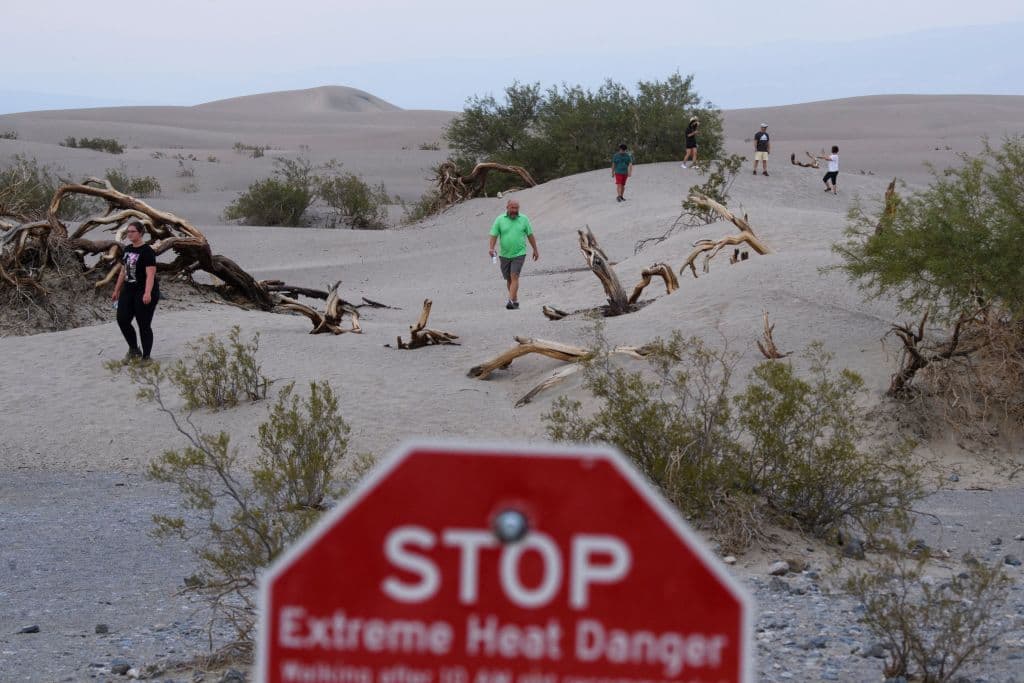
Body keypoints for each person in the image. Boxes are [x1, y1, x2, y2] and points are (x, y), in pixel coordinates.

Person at [111, 220, 160, 360]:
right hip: (129, 289)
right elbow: (123, 271)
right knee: (122, 319)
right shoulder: (127, 249)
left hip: (144, 290)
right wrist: (116, 290)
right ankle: (133, 349)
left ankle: (146, 357)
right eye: (128, 231)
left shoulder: (147, 251)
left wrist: (147, 293)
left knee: (143, 324)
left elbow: (150, 274)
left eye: (132, 231)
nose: (129, 234)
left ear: (140, 233)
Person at [488, 199, 539, 310]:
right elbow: (494, 235)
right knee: (509, 279)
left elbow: (530, 235)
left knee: (514, 276)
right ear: (507, 207)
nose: (515, 210)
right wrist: (491, 248)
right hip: (504, 254)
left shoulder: (524, 219)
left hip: (519, 253)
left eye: (516, 208)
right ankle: (515, 300)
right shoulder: (500, 219)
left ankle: (510, 300)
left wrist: (535, 249)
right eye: (512, 208)